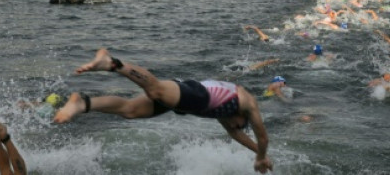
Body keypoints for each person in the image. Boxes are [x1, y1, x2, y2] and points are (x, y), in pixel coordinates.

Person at [53, 48, 273, 173]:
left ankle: (83, 103)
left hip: (187, 98)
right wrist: (261, 156)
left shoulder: (227, 116)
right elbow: (263, 138)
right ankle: (112, 63)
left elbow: (238, 136)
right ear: (242, 117)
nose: (236, 129)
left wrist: (257, 154)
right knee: (155, 90)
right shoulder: (247, 102)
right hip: (196, 94)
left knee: (130, 110)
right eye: (240, 126)